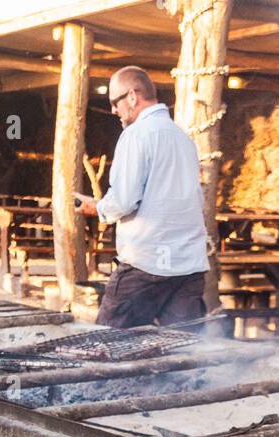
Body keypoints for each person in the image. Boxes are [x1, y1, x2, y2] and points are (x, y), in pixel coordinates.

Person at [75, 67, 209, 329]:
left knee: (106, 345)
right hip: (188, 265)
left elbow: (124, 200)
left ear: (133, 96)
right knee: (186, 353)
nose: (113, 110)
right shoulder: (184, 139)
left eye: (115, 102)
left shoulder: (136, 135)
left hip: (147, 264)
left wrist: (98, 208)